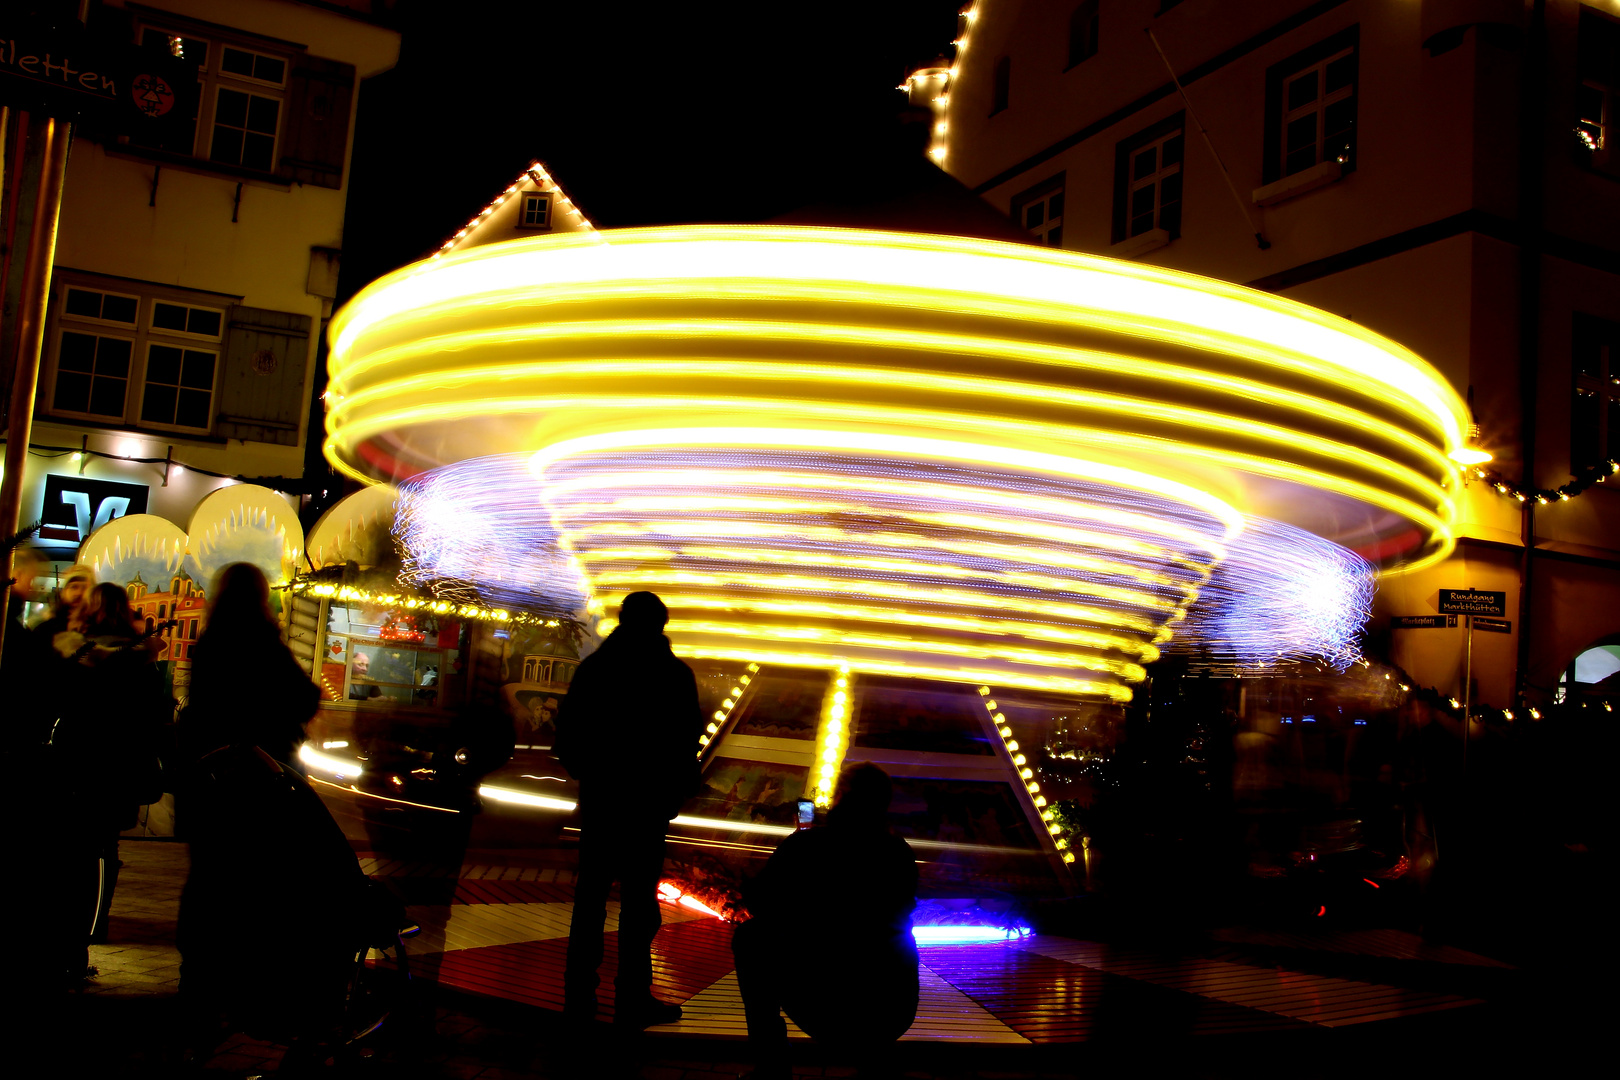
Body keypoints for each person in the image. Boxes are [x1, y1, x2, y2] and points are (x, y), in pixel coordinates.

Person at [555, 591, 703, 1028]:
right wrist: (673, 792)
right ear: (660, 625)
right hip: (647, 806)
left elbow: (568, 736)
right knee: (639, 906)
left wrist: (592, 774)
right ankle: (633, 997)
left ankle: (578, 996)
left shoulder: (595, 670)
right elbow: (685, 741)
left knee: (590, 902)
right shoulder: (674, 675)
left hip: (603, 802)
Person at [732, 763, 919, 1080]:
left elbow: (761, 901)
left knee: (750, 938)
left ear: (842, 795)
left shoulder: (806, 845)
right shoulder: (898, 852)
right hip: (892, 1005)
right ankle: (873, 1059)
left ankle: (772, 1067)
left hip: (822, 999)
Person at [184, 562, 319, 767]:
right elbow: (305, 698)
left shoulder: (210, 642)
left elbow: (200, 703)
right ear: (261, 596)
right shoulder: (266, 642)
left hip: (215, 761)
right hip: (263, 761)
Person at [34, 562, 96, 658]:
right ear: (64, 592)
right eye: (74, 587)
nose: (78, 593)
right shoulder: (45, 631)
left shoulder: (101, 627)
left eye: (84, 588)